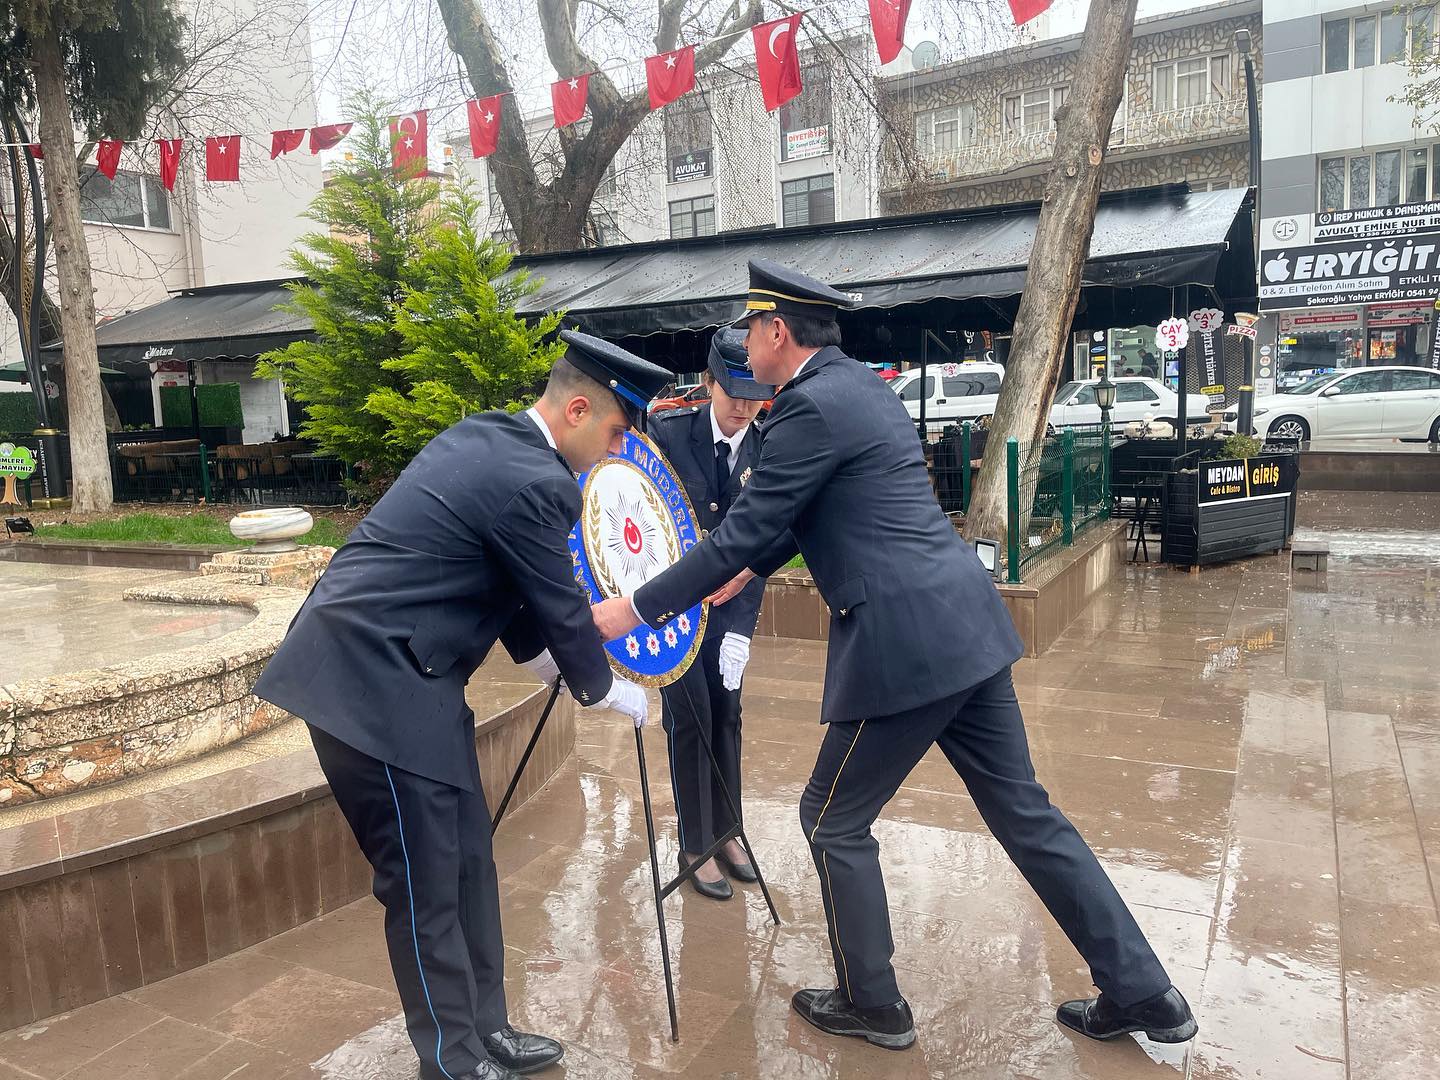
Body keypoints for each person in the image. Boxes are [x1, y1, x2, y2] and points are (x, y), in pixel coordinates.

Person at [592, 260, 1197, 1052]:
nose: (745, 346)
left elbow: (742, 530)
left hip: (904, 642)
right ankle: (1145, 991)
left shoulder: (804, 408)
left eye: (751, 330)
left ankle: (872, 1002)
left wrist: (631, 607)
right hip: (966, 626)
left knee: (831, 819)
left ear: (777, 332)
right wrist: (748, 568)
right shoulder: (859, 388)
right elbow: (804, 516)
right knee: (1027, 815)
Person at [256, 330, 672, 1080]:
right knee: (425, 884)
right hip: (369, 689)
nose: (620, 452)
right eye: (617, 433)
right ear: (577, 410)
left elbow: (513, 590)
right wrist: (604, 686)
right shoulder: (536, 480)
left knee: (469, 862)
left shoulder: (494, 439)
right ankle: (450, 1060)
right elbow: (559, 604)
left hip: (413, 680)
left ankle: (488, 1029)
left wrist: (552, 663)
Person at [648, 329, 776, 901]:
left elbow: (766, 538)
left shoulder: (769, 447)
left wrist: (743, 629)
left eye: (754, 396)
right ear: (708, 383)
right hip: (675, 608)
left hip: (729, 606)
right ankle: (695, 843)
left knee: (727, 713)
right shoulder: (670, 433)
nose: (744, 408)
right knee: (691, 717)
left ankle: (728, 831)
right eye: (733, 394)